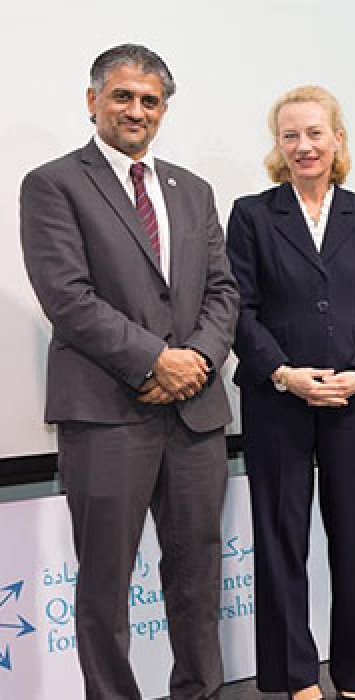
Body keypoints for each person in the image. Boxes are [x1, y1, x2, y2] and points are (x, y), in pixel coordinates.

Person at [19, 44, 238, 699]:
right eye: (122, 96)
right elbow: (67, 296)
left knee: (198, 576)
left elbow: (223, 291)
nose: (136, 110)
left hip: (195, 416)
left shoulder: (192, 190)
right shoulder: (53, 184)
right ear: (93, 101)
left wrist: (198, 359)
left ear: (164, 110)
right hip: (106, 413)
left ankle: (199, 692)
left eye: (150, 100)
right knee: (106, 585)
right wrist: (155, 360)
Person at [226, 86, 355, 700]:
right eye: (290, 135)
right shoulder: (251, 215)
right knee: (281, 539)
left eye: (315, 133)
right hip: (278, 399)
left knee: (354, 539)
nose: (304, 146)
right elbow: (239, 310)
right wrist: (282, 373)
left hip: (354, 398)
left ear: (337, 139)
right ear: (278, 145)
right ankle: (294, 675)